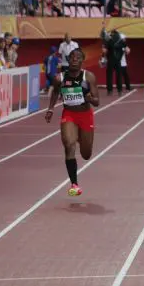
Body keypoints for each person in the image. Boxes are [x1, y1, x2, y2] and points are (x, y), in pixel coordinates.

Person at [44, 49, 99, 196]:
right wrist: (50, 109)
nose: (74, 60)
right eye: (72, 57)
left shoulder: (89, 77)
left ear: (82, 61)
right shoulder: (59, 78)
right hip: (69, 114)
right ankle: (74, 184)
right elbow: (55, 92)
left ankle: (81, 137)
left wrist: (88, 98)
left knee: (86, 154)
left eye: (78, 58)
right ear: (68, 60)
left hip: (85, 115)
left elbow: (97, 101)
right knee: (69, 144)